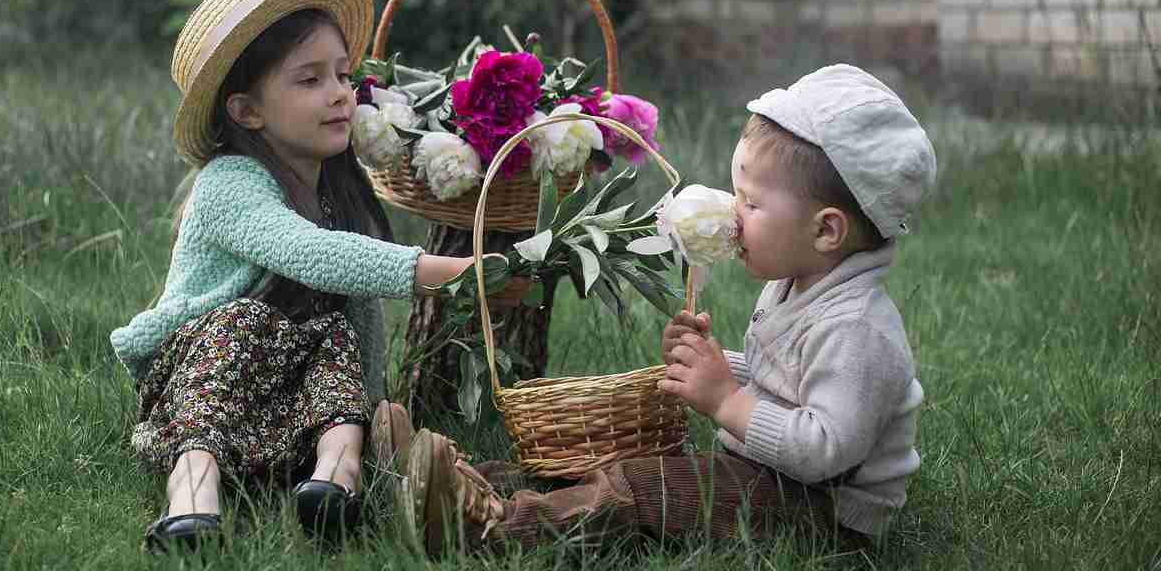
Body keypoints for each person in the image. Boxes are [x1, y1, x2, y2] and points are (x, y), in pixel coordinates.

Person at [387, 64, 937, 555]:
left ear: (827, 230)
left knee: (643, 488)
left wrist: (723, 397)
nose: (735, 213)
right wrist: (718, 363)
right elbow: (787, 379)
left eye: (753, 202)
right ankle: (456, 479)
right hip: (770, 475)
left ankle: (496, 526)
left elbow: (824, 451)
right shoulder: (800, 283)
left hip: (820, 509)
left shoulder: (856, 331)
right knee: (603, 460)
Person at [108, 0, 482, 554]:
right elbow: (313, 256)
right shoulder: (230, 182)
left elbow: (358, 322)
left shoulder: (335, 191)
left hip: (288, 417)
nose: (340, 93)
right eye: (309, 80)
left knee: (333, 336)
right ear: (247, 111)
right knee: (246, 322)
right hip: (201, 391)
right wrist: (448, 273)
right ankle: (192, 499)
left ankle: (335, 478)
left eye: (342, 75)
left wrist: (369, 396)